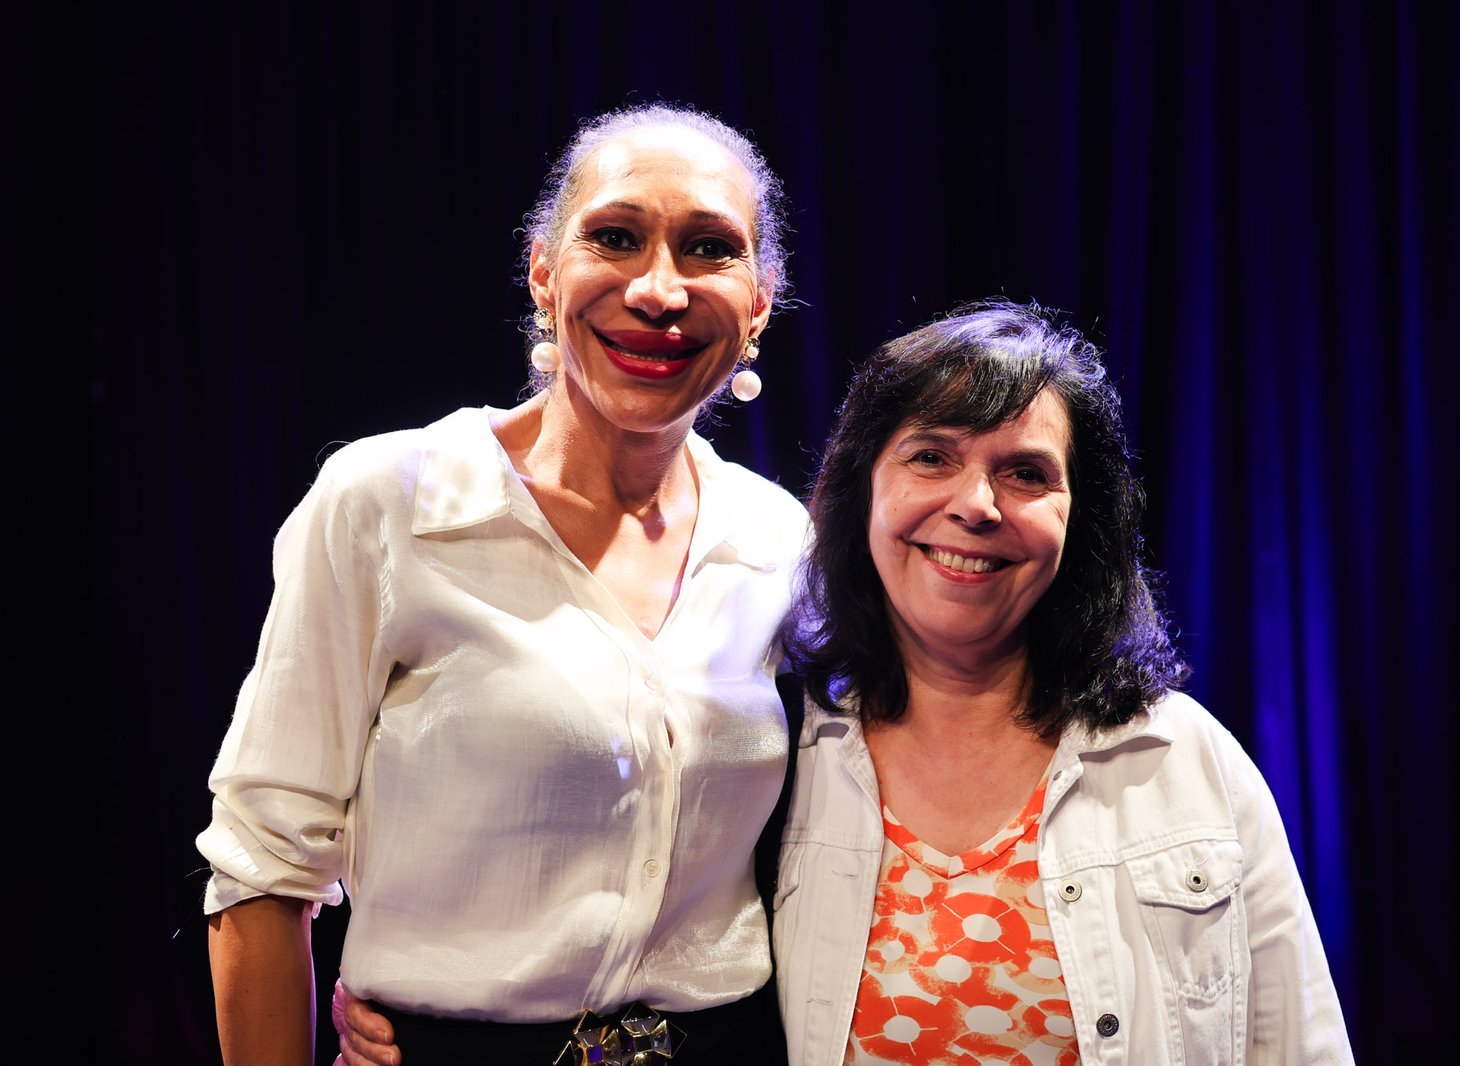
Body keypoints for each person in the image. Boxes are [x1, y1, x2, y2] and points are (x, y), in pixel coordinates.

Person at [337, 300, 1356, 1064]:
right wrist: (414, 1005)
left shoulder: (1180, 761)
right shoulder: (769, 756)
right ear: (858, 496)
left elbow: (1299, 1042)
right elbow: (580, 873)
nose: (974, 504)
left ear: (1075, 521)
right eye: (931, 457)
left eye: (1025, 472)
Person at [197, 101, 808, 1065]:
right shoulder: (389, 501)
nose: (659, 289)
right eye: (615, 237)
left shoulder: (781, 539)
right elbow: (263, 868)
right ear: (543, 271)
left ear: (760, 300)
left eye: (708, 249)